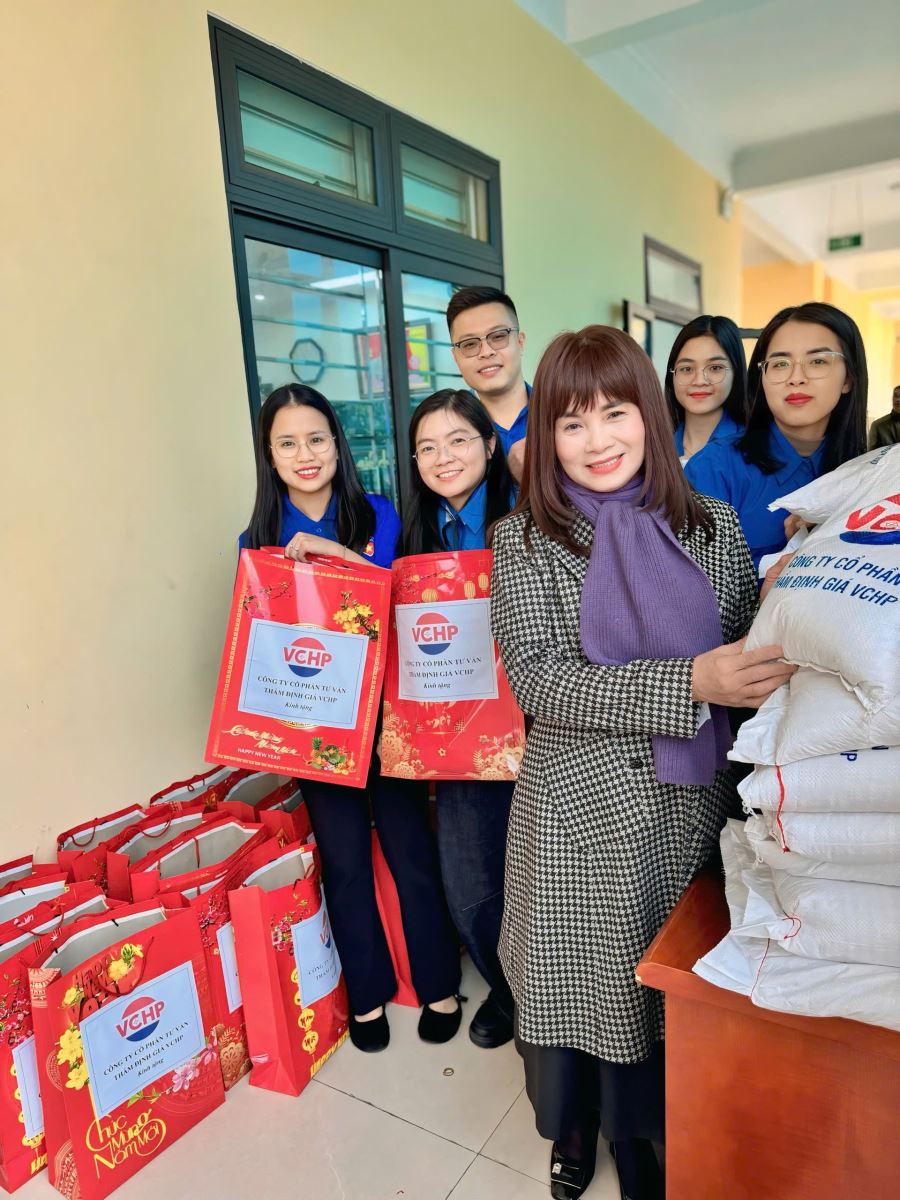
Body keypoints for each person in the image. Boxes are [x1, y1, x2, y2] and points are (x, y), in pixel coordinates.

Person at [490, 326, 794, 1200]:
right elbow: (543, 681)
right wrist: (690, 678)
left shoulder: (713, 526)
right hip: (574, 819)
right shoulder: (524, 541)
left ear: (649, 416)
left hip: (686, 813)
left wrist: (783, 610)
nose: (597, 441)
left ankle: (639, 1137)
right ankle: (572, 1132)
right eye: (571, 422)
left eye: (615, 413)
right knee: (574, 989)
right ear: (548, 435)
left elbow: (743, 653)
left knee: (651, 991)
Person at [240, 383, 463, 1051]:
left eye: (316, 438)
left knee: (410, 852)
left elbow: (394, 599)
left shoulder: (377, 514)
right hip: (315, 729)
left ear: (337, 445)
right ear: (269, 455)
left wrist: (337, 557)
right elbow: (261, 644)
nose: (305, 454)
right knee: (344, 864)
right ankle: (365, 996)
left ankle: (439, 983)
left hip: (387, 717)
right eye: (287, 443)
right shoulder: (255, 539)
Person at [400, 388, 518, 1048]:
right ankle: (506, 990)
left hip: (537, 728)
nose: (443, 457)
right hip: (458, 743)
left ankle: (546, 995)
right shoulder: (412, 538)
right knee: (469, 880)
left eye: (458, 440)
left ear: (490, 445)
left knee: (539, 875)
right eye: (427, 447)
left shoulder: (528, 517)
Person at [684, 302, 868, 573]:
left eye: (818, 361)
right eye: (780, 364)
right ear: (762, 377)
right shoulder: (713, 469)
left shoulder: (870, 475)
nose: (796, 378)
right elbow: (690, 585)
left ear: (848, 379)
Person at [447, 286, 530, 482]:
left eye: (498, 336)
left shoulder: (562, 416)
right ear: (456, 357)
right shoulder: (448, 436)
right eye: (470, 344)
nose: (486, 352)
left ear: (520, 342)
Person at [664, 314, 747, 465]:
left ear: (736, 372)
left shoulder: (753, 450)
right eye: (687, 369)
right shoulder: (655, 447)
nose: (699, 381)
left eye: (715, 368)